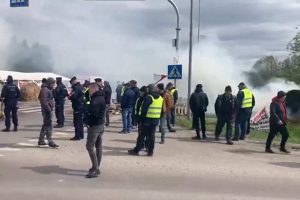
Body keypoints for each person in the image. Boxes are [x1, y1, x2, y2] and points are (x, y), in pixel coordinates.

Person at [128, 84, 163, 156]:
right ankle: (150, 151)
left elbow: (144, 110)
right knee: (152, 136)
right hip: (155, 120)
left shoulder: (149, 97)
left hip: (147, 120)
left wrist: (140, 120)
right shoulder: (160, 98)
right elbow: (162, 110)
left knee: (141, 136)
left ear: (150, 90)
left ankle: (136, 150)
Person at [85, 83, 106, 178]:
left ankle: (96, 168)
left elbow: (93, 113)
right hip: (101, 124)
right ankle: (96, 167)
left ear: (93, 89)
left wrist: (88, 122)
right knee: (98, 146)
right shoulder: (101, 97)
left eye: (89, 90)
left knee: (90, 146)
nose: (88, 91)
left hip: (95, 126)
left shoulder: (95, 100)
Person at [38, 77, 59, 148]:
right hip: (47, 110)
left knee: (45, 125)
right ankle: (50, 141)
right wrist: (49, 110)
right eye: (53, 84)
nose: (54, 85)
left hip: (48, 110)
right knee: (48, 126)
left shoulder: (47, 89)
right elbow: (43, 101)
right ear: (50, 83)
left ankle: (41, 141)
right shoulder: (45, 90)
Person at [128, 86, 148, 154]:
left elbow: (139, 110)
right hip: (142, 119)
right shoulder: (142, 98)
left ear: (143, 92)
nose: (139, 92)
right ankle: (144, 146)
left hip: (142, 120)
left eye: (141, 91)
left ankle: (141, 147)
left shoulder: (143, 99)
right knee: (143, 135)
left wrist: (136, 119)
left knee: (141, 135)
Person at [69, 76, 84, 140]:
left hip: (77, 106)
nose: (71, 84)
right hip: (81, 106)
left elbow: (74, 97)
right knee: (80, 122)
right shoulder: (81, 87)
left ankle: (77, 136)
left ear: (73, 82)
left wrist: (70, 97)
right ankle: (81, 135)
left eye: (71, 83)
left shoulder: (76, 88)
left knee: (77, 122)